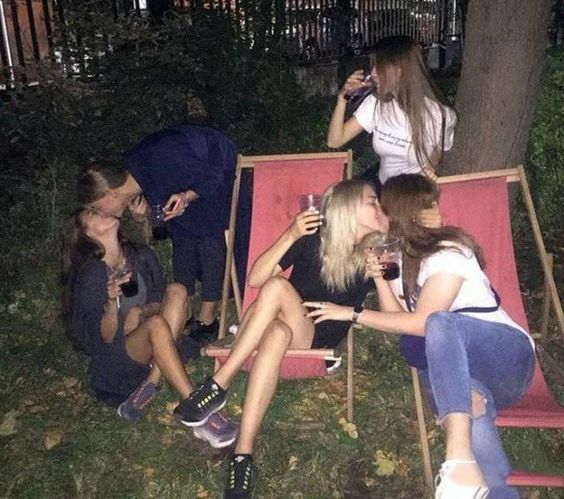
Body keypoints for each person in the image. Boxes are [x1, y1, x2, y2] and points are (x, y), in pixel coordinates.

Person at [305, 174, 535, 499]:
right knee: (470, 408)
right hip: (456, 372)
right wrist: (381, 280)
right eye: (373, 203)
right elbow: (398, 320)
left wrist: (353, 313)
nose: (377, 211)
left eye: (379, 204)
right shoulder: (399, 261)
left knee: (440, 324)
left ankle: (457, 462)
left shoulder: (449, 252)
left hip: (506, 360)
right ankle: (489, 491)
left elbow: (424, 323)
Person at [171, 179, 389, 497]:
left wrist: (378, 277)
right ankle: (243, 455)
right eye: (372, 201)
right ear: (347, 208)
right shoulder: (313, 238)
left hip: (318, 341)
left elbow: (392, 312)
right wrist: (291, 234)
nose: (380, 207)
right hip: (286, 327)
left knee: (277, 287)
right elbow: (255, 278)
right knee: (276, 330)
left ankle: (219, 384)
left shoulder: (377, 252)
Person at [63, 207, 238, 448]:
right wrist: (111, 306)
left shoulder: (140, 255)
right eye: (94, 215)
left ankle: (150, 384)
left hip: (151, 345)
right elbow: (99, 340)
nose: (103, 211)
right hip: (115, 357)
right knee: (156, 325)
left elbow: (160, 303)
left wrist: (139, 310)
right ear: (88, 234)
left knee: (177, 291)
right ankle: (196, 409)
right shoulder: (92, 273)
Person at [77, 124, 237, 345]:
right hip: (184, 177)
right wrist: (143, 218)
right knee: (181, 236)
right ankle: (185, 311)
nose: (100, 213)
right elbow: (157, 228)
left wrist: (187, 196)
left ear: (109, 193)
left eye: (97, 207)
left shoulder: (161, 161)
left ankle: (208, 318)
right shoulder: (135, 181)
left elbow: (214, 176)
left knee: (208, 233)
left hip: (215, 159)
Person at [327, 36, 457, 189]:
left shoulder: (439, 115)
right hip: (381, 185)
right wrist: (343, 98)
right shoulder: (376, 104)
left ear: (400, 70)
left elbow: (438, 151)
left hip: (413, 191)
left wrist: (427, 171)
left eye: (379, 67)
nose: (373, 73)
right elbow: (335, 141)